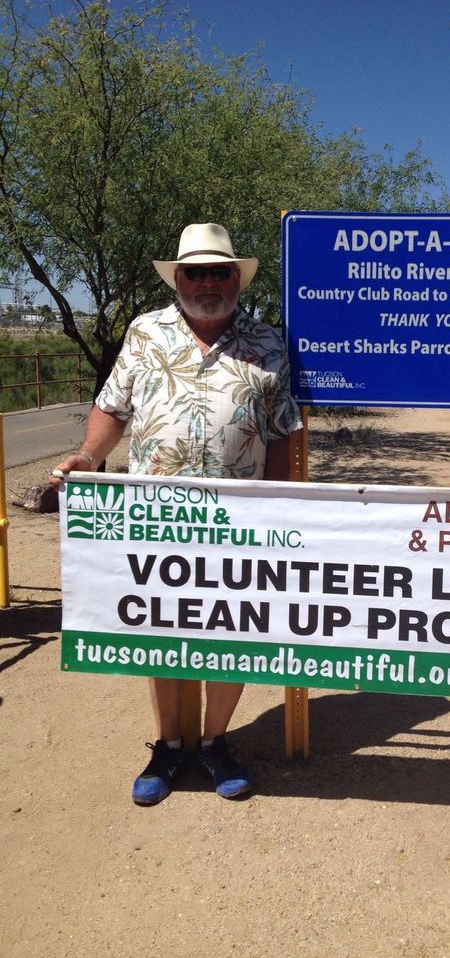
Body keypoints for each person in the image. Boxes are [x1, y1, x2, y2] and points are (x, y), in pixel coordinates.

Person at [51, 222, 302, 806]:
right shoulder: (144, 333)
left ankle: (215, 742)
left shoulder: (267, 342)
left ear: (237, 278)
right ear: (178, 278)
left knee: (233, 634)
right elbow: (111, 409)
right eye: (196, 272)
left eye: (220, 271)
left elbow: (282, 431)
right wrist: (89, 456)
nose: (209, 283)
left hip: (242, 522)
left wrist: (289, 507)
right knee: (161, 633)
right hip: (157, 519)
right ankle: (167, 747)